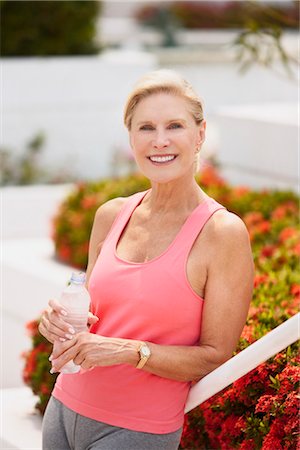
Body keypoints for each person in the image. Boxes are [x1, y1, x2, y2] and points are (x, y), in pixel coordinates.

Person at [39, 69, 254, 450]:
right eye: (146, 128)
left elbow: (214, 355)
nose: (160, 141)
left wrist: (128, 350)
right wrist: (57, 322)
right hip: (63, 408)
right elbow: (88, 314)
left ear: (200, 134)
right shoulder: (111, 215)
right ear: (131, 138)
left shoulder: (222, 233)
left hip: (135, 430)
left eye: (175, 125)